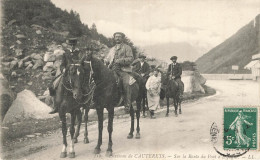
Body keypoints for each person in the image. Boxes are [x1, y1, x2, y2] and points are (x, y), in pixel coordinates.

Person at [104, 32, 139, 111]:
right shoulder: (112, 49)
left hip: (123, 70)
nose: (117, 38)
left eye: (119, 37)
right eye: (116, 37)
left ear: (122, 38)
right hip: (112, 69)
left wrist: (119, 61)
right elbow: (108, 58)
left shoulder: (127, 48)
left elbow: (130, 59)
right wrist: (105, 61)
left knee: (126, 83)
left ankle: (127, 104)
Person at [49, 38, 83, 114]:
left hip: (76, 73)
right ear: (68, 45)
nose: (72, 46)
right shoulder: (65, 53)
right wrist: (63, 69)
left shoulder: (79, 53)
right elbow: (62, 64)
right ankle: (55, 105)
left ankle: (84, 103)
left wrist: (79, 68)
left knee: (83, 84)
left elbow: (81, 63)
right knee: (52, 85)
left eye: (73, 45)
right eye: (71, 45)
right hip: (67, 73)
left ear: (75, 45)